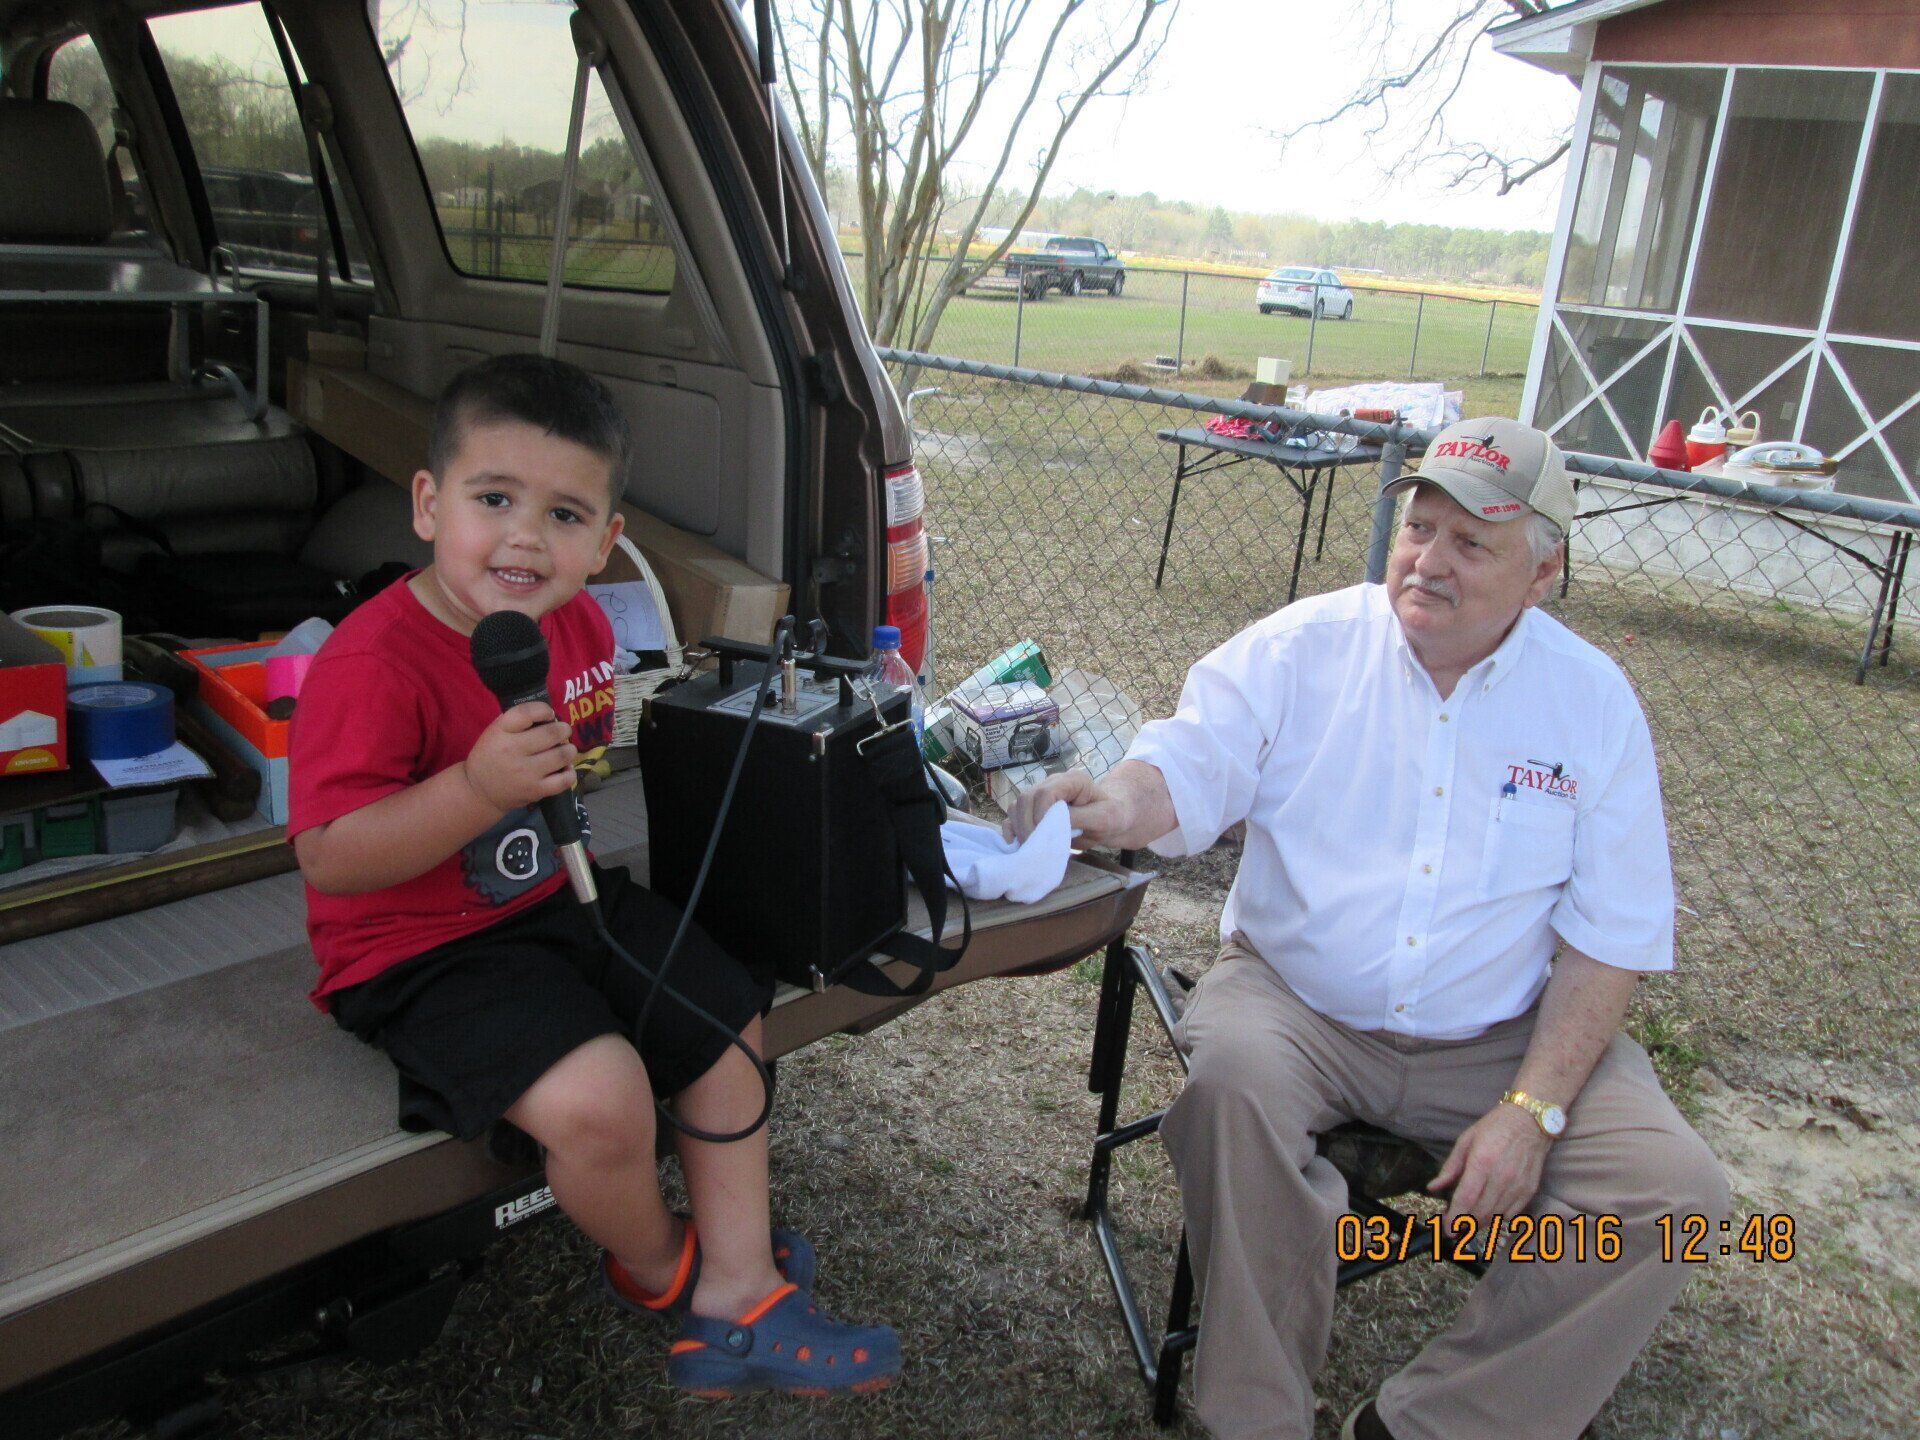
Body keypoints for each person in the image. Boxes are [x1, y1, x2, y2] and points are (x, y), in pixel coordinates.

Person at [1007, 417, 1726, 1440]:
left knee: (1673, 1191)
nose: (1428, 561)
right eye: (1417, 527)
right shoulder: (1307, 647)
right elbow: (1192, 761)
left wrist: (1533, 1109)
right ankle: (1258, 1417)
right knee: (1231, 1091)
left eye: (1469, 544)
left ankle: (1429, 1424)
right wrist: (1116, 805)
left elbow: (1611, 939)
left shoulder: (1592, 706)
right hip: (1298, 1002)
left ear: (1543, 570)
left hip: (1502, 1036)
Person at [288, 353, 899, 1396]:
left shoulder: (575, 626)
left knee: (724, 1015)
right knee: (605, 1100)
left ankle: (738, 1293)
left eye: (566, 514)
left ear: (608, 543)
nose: (526, 537)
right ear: (429, 506)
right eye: (494, 499)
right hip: (418, 948)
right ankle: (663, 1265)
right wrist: (476, 790)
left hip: (553, 897)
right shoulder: (370, 662)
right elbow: (332, 858)